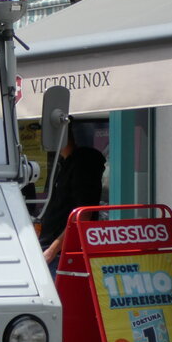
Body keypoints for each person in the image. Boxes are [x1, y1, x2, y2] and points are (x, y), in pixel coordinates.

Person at [38, 117, 106, 273]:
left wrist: (51, 251)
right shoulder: (65, 163)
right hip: (52, 251)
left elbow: (83, 215)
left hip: (61, 255)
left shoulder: (82, 164)